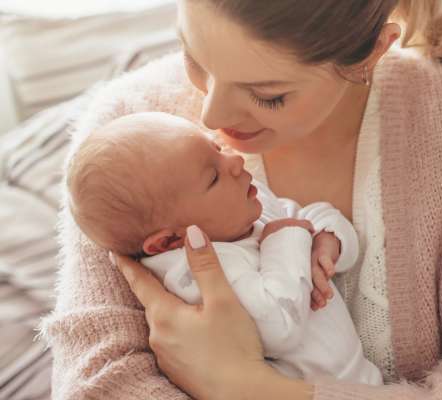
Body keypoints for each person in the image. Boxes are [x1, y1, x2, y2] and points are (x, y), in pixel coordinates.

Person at [42, 0, 442, 399]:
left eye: (268, 95)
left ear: (371, 52)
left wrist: (245, 388)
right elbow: (97, 381)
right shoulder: (126, 136)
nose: (211, 118)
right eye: (194, 57)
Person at [64, 112, 382, 385]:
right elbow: (280, 328)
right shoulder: (193, 274)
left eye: (217, 148)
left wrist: (328, 240)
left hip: (362, 380)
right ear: (169, 241)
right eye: (213, 176)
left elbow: (309, 215)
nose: (234, 160)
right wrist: (286, 239)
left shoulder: (245, 211)